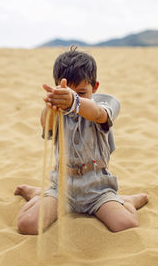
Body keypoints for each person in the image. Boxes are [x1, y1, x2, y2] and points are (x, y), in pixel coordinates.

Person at [14, 46, 148, 235]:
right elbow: (47, 124)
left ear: (95, 87)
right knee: (27, 225)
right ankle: (38, 194)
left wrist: (75, 102)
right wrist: (51, 105)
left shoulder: (106, 104)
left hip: (97, 190)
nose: (74, 96)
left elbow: (98, 114)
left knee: (125, 224)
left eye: (82, 92)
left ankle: (126, 201)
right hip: (61, 189)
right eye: (68, 92)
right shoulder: (58, 108)